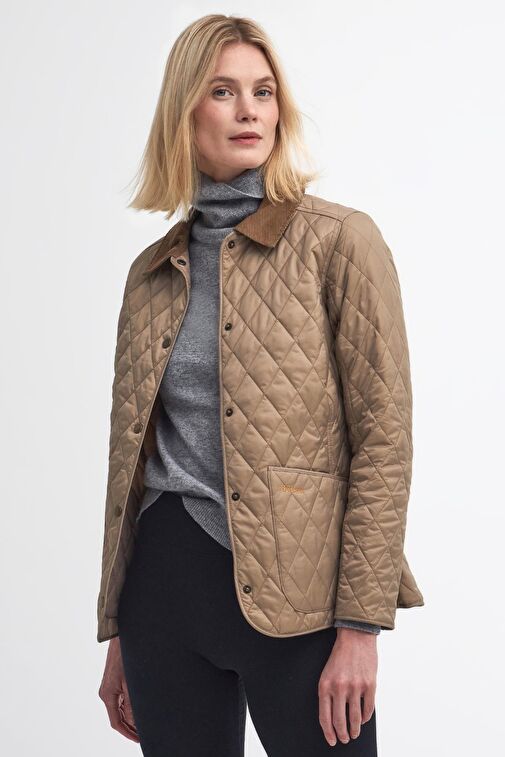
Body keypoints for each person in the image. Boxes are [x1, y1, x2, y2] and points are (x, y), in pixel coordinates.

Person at [97, 13, 424, 756]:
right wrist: (119, 632)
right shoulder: (151, 273)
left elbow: (383, 442)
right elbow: (132, 464)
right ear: (184, 113)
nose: (248, 110)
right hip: (161, 598)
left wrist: (360, 629)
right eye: (222, 91)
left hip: (299, 603)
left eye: (263, 91)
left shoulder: (338, 242)